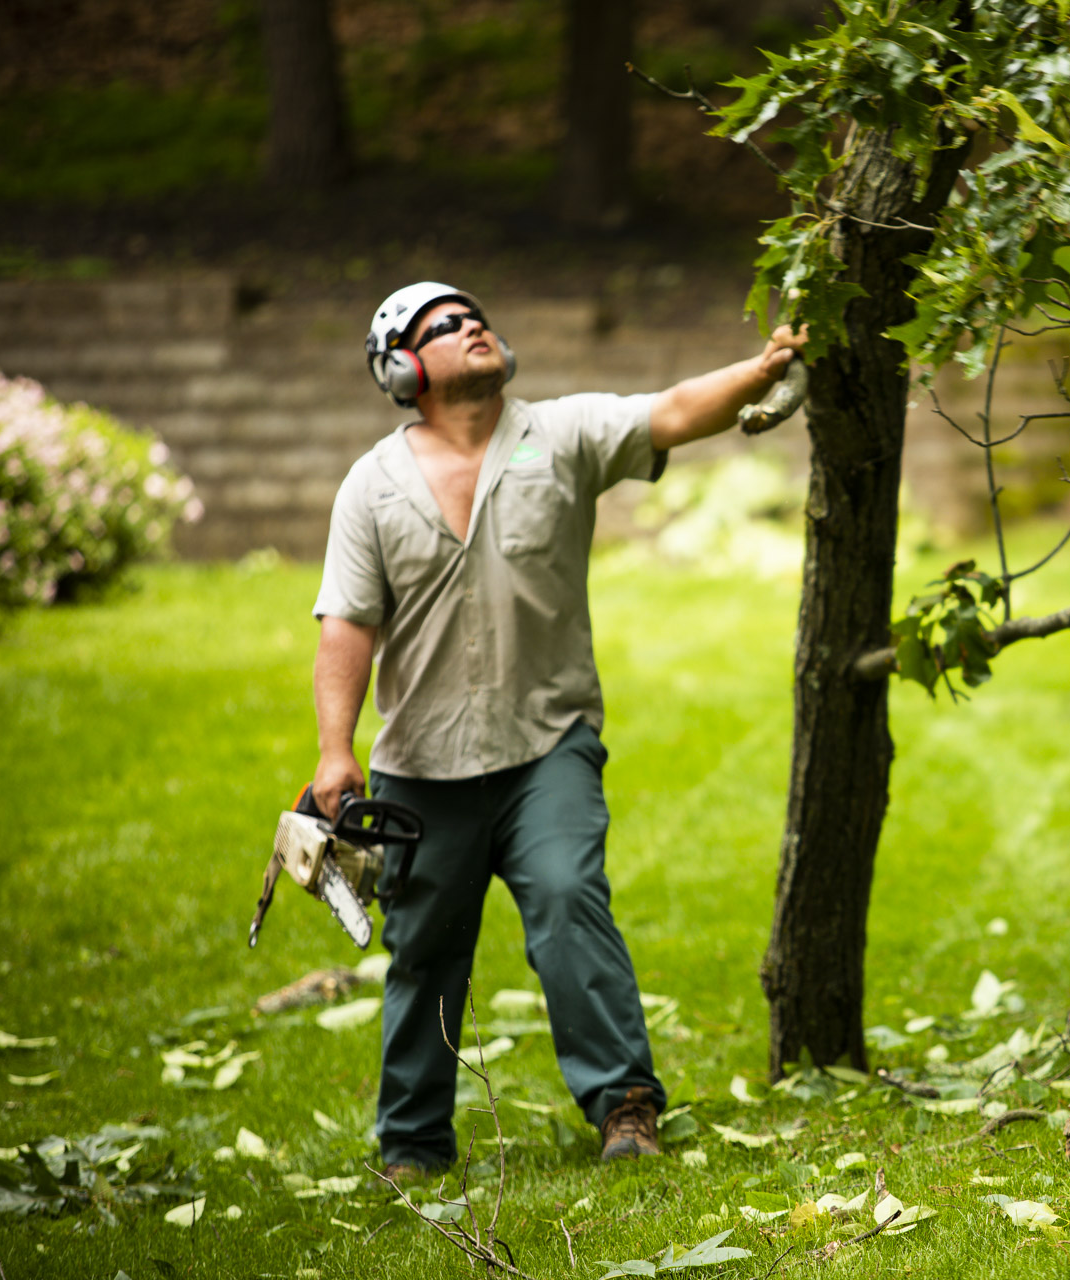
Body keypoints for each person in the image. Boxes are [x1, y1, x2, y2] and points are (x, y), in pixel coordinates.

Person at [310, 281, 804, 1173]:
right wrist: (336, 750)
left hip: (549, 744)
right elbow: (347, 622)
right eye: (444, 327)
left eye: (476, 317)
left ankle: (626, 1108)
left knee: (571, 903)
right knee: (424, 951)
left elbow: (677, 410)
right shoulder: (371, 487)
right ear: (403, 368)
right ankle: (414, 1141)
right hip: (422, 769)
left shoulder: (562, 435)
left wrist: (764, 368)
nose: (474, 328)